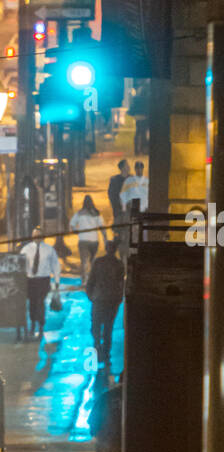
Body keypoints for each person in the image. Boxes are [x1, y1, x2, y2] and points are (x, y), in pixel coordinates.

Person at [86, 240, 125, 368]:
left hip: (99, 299)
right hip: (112, 300)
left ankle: (97, 346)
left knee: (96, 325)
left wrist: (91, 295)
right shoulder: (119, 265)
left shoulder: (98, 262)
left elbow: (91, 280)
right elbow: (121, 284)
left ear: (107, 249)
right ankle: (106, 353)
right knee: (108, 327)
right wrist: (119, 299)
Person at [19, 229, 61, 338]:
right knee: (33, 303)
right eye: (35, 236)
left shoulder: (49, 250)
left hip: (43, 279)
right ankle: (33, 325)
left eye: (39, 236)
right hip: (31, 280)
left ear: (43, 237)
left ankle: (41, 326)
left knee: (41, 302)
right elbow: (20, 264)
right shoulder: (26, 249)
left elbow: (55, 265)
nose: (37, 238)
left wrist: (56, 281)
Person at [70, 194, 104, 283]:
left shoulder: (79, 213)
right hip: (94, 240)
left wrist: (76, 231)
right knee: (92, 261)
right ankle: (92, 280)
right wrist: (105, 239)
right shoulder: (96, 213)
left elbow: (72, 225)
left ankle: (85, 280)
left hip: (83, 240)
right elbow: (102, 227)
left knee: (84, 261)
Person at [108, 158, 129, 227]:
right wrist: (116, 206)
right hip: (118, 211)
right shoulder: (115, 180)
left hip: (130, 210)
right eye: (127, 165)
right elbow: (111, 195)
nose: (129, 167)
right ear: (122, 168)